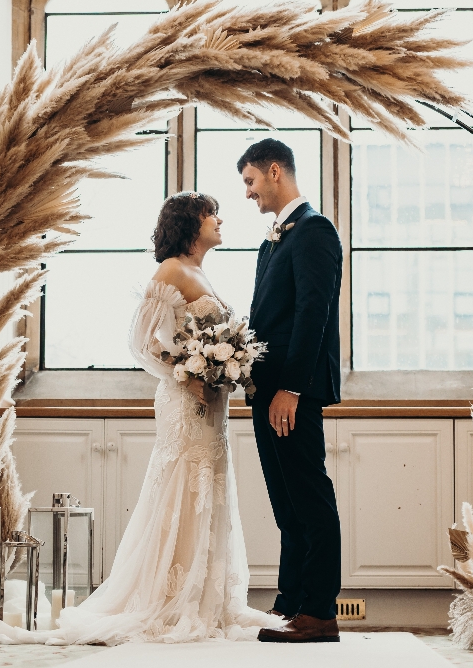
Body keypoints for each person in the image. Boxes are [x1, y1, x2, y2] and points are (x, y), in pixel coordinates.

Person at [50, 191, 279, 645]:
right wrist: (186, 374)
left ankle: (203, 596)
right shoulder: (171, 269)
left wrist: (223, 363)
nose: (219, 219)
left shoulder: (200, 270)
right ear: (191, 223)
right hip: (185, 402)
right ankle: (169, 596)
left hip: (213, 403)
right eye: (211, 213)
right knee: (180, 488)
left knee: (209, 489)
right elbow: (139, 342)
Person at [237, 138, 342, 644]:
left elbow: (312, 315)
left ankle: (319, 611)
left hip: (290, 393)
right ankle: (290, 603)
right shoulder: (276, 237)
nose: (249, 194)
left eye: (251, 182)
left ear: (275, 171)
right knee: (286, 504)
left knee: (309, 496)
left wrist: (292, 390)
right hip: (266, 389)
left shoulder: (315, 231)